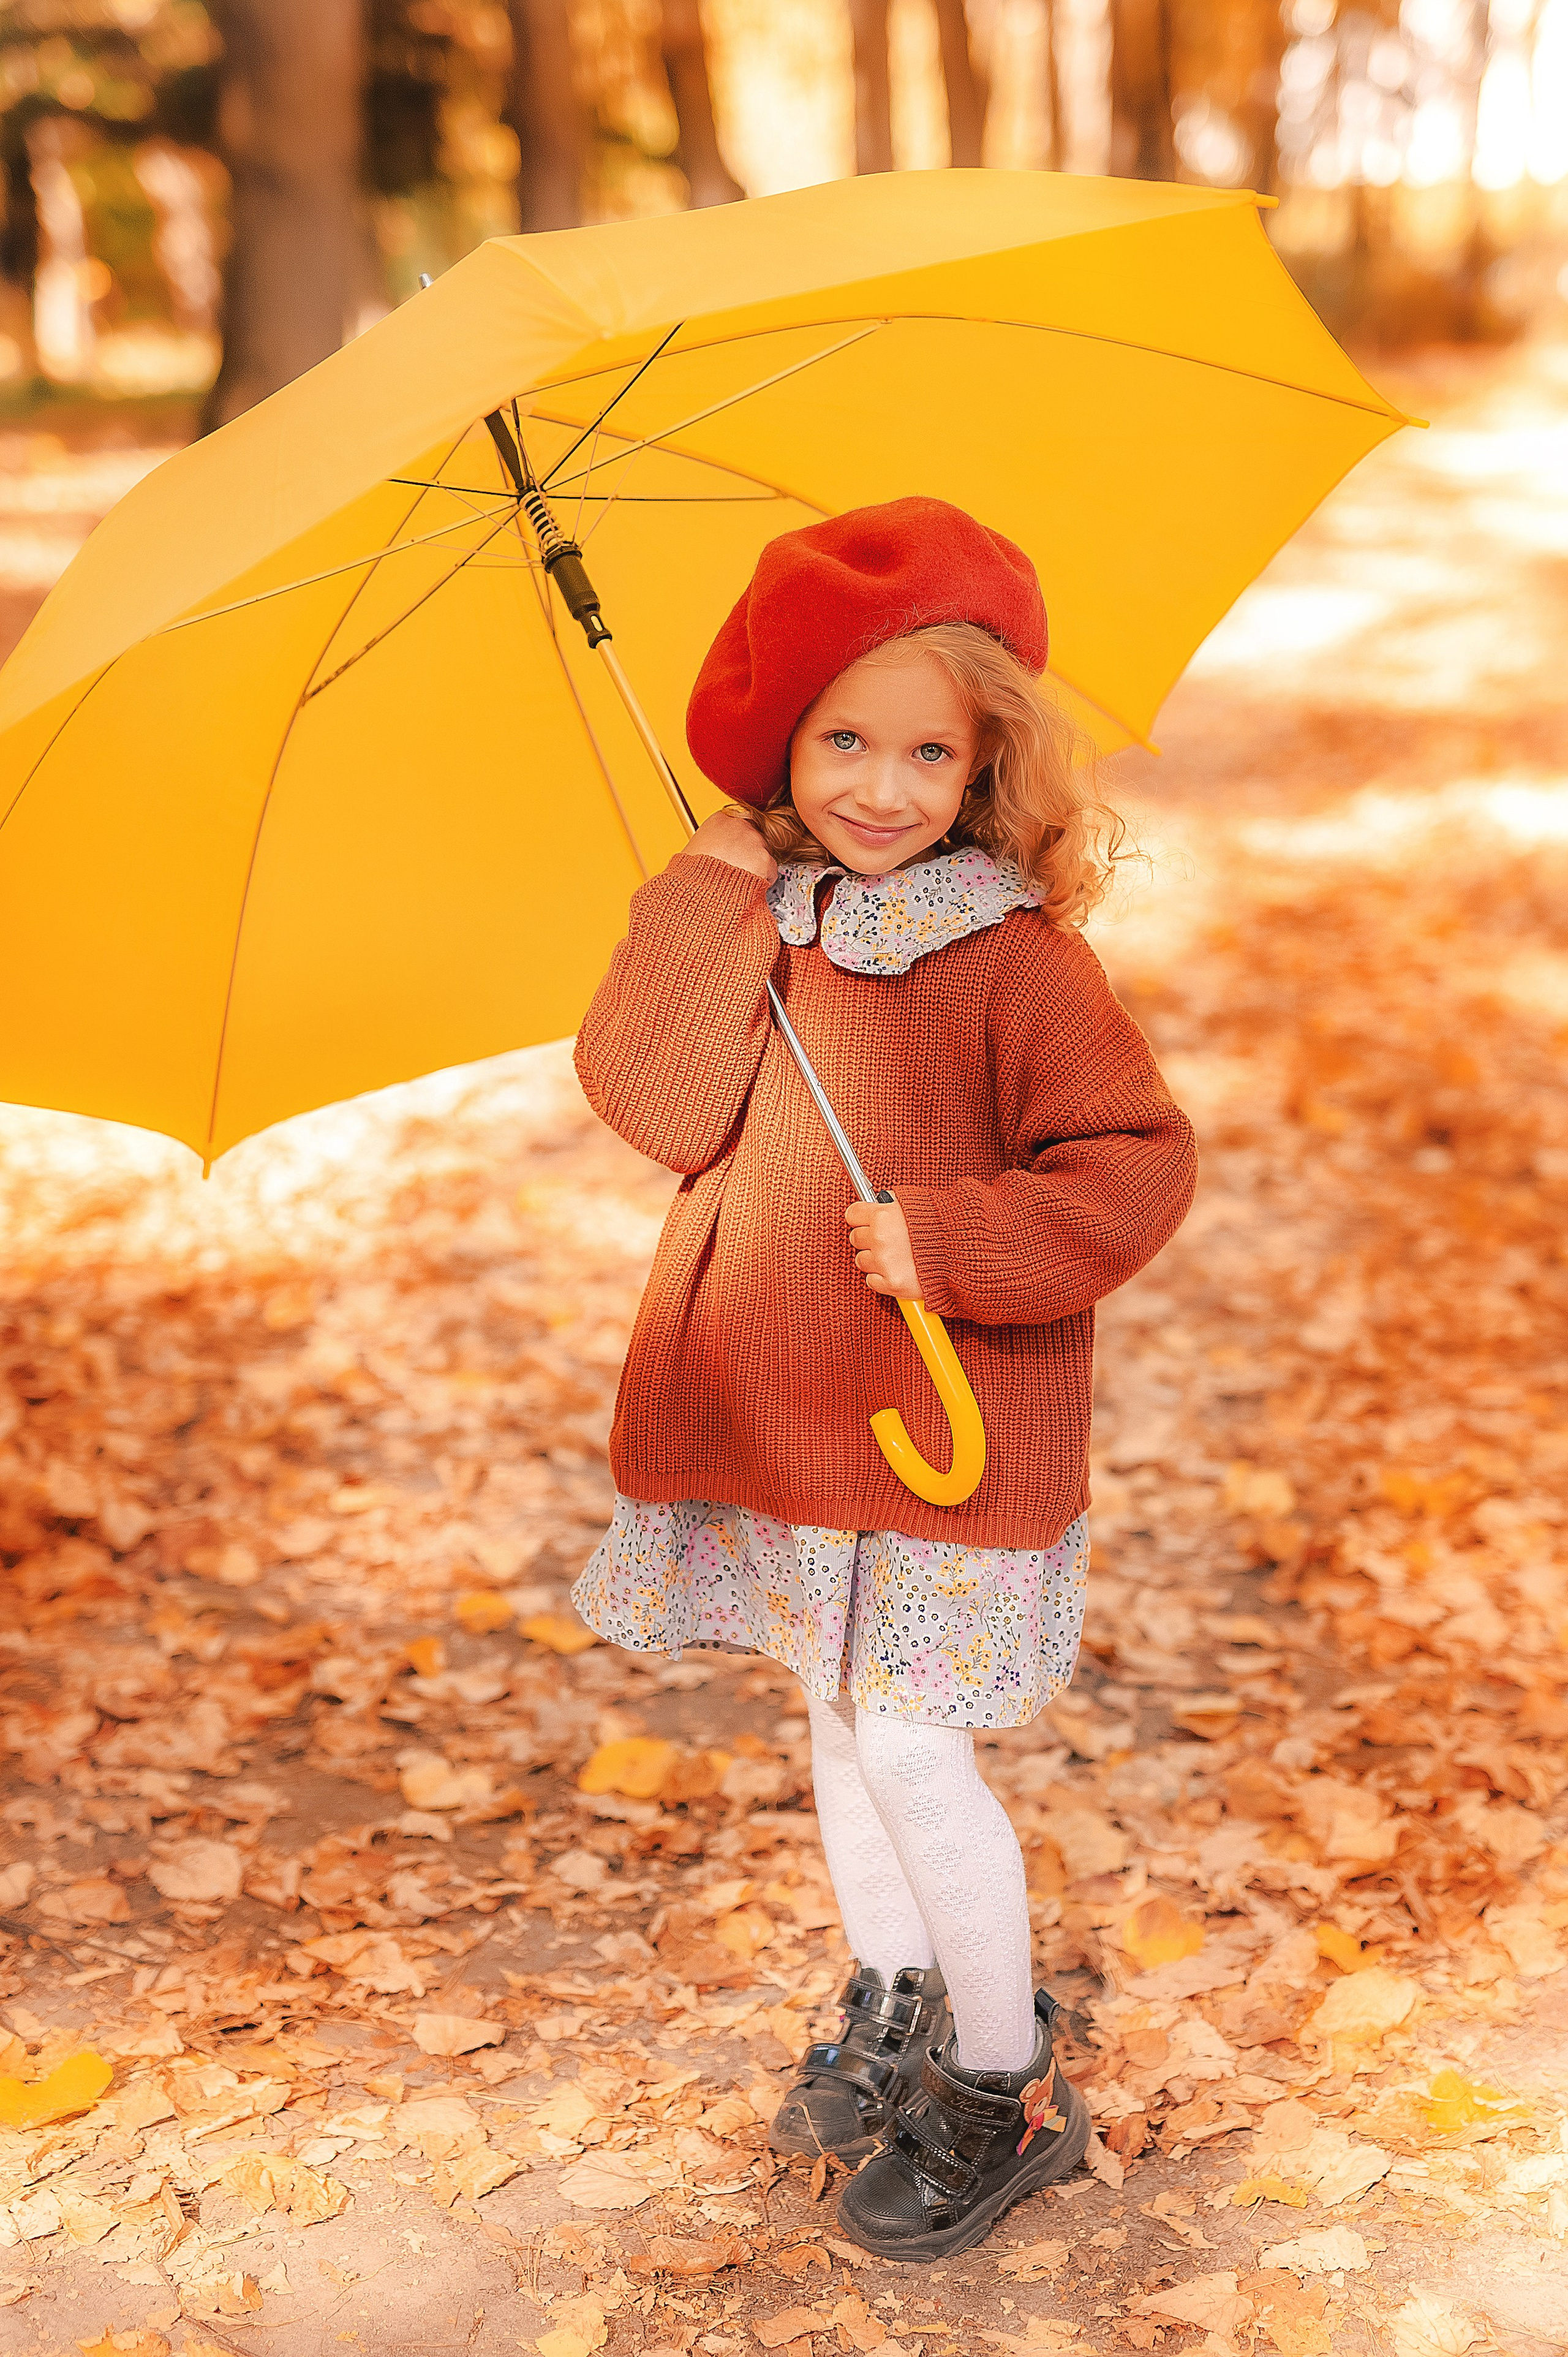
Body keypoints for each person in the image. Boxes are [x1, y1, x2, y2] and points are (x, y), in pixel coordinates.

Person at [571, 497, 1196, 2261]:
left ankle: (1006, 2079)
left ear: (986, 763)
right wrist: (703, 902)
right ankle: (899, 1989)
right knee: (837, 1711)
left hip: (943, 1425)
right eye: (845, 738)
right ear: (783, 743)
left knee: (916, 1738)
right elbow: (657, 1105)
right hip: (783, 1415)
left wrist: (962, 1241)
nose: (882, 782)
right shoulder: (748, 915)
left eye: (930, 748)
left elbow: (1135, 1157)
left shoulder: (1014, 958)